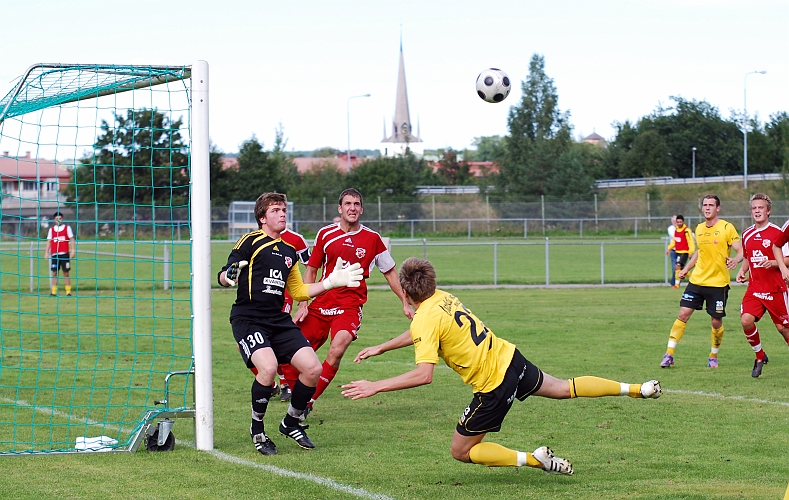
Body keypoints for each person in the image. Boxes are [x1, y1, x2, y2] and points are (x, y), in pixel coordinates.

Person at [341, 257, 662, 475]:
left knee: (461, 451)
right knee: (564, 388)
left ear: (407, 293)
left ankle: (534, 460)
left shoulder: (424, 316)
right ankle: (638, 389)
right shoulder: (442, 296)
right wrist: (383, 347)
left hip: (493, 385)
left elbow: (424, 374)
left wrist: (376, 385)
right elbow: (424, 331)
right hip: (511, 358)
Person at [218, 192, 363, 455]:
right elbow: (225, 272)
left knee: (312, 368)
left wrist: (331, 281)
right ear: (262, 217)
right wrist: (227, 277)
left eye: (283, 209)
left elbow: (298, 291)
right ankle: (258, 429)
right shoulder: (251, 241)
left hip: (278, 320)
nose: (282, 213)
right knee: (269, 367)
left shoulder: (288, 251)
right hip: (249, 318)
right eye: (275, 210)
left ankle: (291, 422)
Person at [287, 188, 413, 414]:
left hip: (349, 307)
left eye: (356, 204)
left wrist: (405, 301)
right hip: (320, 305)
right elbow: (312, 269)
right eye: (348, 204)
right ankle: (296, 393)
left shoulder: (373, 239)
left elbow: (391, 273)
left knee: (337, 349)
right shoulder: (325, 234)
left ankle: (307, 403)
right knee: (292, 354)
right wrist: (304, 303)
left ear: (361, 209)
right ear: (340, 208)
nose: (352, 208)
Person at [660, 194, 743, 369]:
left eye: (711, 205)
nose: (707, 208)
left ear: (718, 208)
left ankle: (713, 355)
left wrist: (736, 260)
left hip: (718, 284)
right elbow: (700, 251)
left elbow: (741, 249)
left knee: (715, 321)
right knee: (683, 314)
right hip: (697, 281)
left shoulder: (727, 227)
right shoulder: (699, 228)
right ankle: (669, 354)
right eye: (705, 205)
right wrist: (686, 268)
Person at [735, 193, 789, 378]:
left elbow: (787, 259)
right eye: (754, 208)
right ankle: (760, 356)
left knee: (784, 329)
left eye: (761, 208)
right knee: (746, 320)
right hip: (755, 289)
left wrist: (774, 263)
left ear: (769, 211)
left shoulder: (778, 233)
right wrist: (742, 271)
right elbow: (748, 257)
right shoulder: (747, 234)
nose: (757, 211)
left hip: (776, 289)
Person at [45, 211, 76, 296]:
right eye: (56, 219)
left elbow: (72, 239)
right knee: (55, 273)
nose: (58, 220)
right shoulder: (51, 230)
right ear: (54, 220)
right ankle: (53, 292)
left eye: (60, 218)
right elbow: (49, 242)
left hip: (64, 254)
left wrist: (73, 250)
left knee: (66, 273)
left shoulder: (67, 228)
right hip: (55, 254)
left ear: (62, 219)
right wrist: (46, 253)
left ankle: (68, 292)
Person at [665, 215, 695, 289]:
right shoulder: (676, 230)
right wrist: (669, 248)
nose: (679, 223)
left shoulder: (687, 230)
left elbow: (690, 241)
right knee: (681, 270)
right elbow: (675, 241)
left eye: (680, 222)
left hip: (684, 252)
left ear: (683, 222)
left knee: (677, 267)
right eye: (677, 222)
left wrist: (690, 252)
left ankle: (677, 285)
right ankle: (693, 279)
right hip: (678, 252)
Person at [667, 215, 677, 286]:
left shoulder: (683, 228)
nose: (675, 222)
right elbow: (674, 236)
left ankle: (676, 282)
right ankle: (674, 282)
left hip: (682, 251)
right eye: (673, 221)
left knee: (680, 267)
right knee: (674, 267)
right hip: (674, 250)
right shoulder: (671, 228)